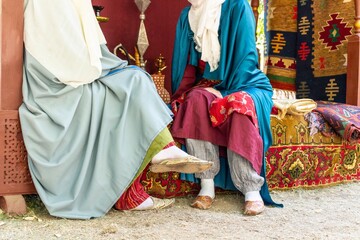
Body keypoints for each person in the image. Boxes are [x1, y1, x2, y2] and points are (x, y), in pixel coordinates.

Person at [19, 0, 212, 219]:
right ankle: (150, 168)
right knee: (131, 85)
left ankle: (139, 182)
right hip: (56, 89)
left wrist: (112, 68)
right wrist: (113, 69)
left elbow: (90, 53)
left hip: (76, 78)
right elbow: (67, 60)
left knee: (133, 83)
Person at [170, 0, 281, 215]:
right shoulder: (188, 16)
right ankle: (207, 185)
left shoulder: (238, 6)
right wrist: (181, 94)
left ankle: (251, 190)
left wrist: (223, 92)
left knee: (238, 104)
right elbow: (186, 65)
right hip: (209, 85)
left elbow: (247, 58)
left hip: (245, 82)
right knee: (193, 101)